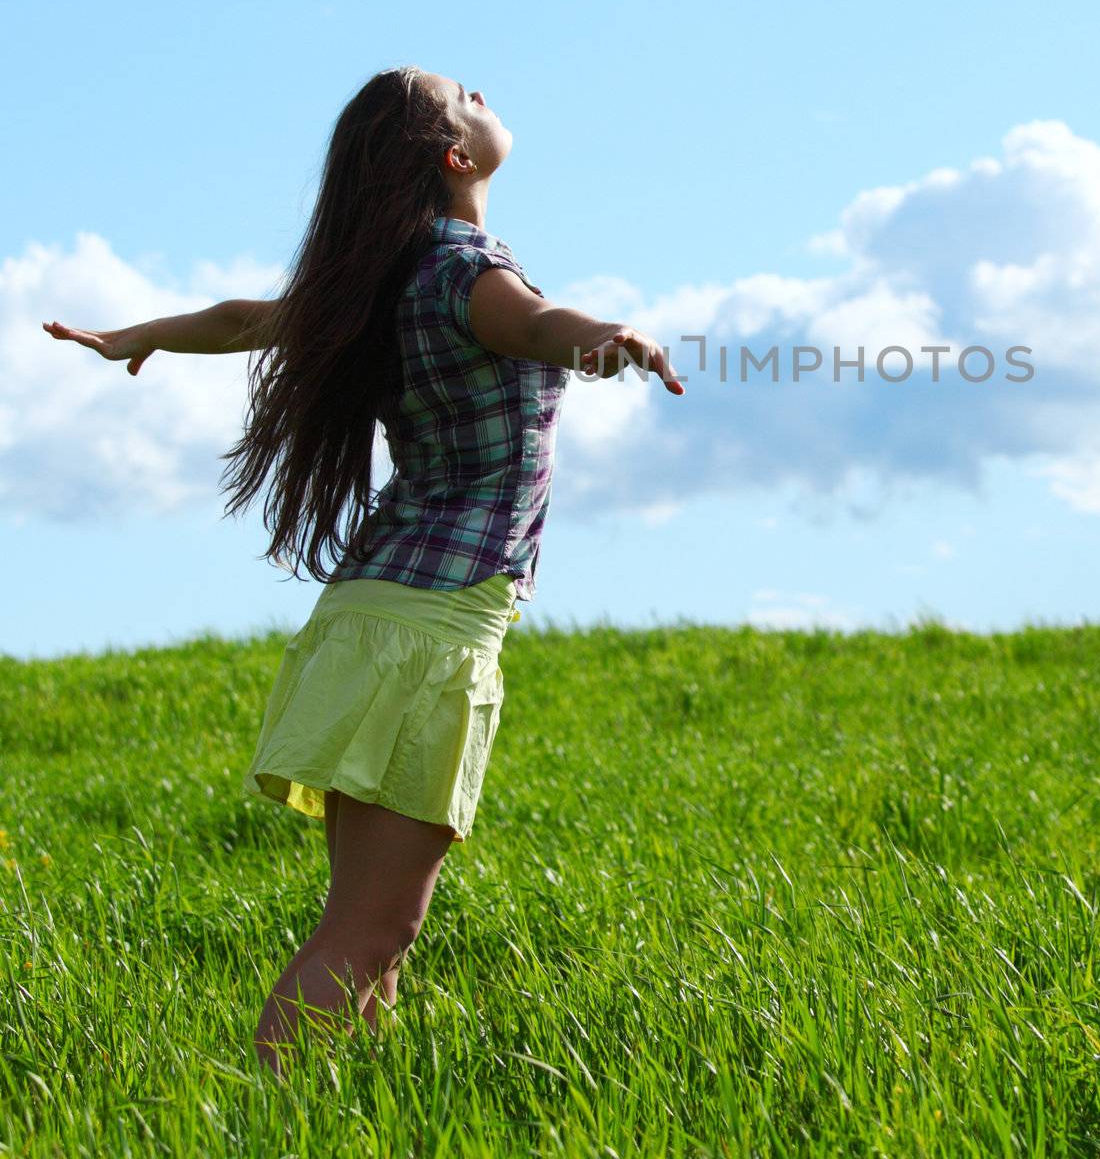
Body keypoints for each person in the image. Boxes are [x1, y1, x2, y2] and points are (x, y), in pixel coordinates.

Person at [41, 65, 685, 1076]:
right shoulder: (471, 268)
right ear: (455, 157)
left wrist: (142, 335)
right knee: (369, 937)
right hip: (425, 632)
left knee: (372, 943)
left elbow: (241, 318)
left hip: (369, 616)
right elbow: (526, 325)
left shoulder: (378, 278)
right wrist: (605, 335)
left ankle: (341, 1112)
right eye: (466, 93)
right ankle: (266, 1114)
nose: (486, 87)